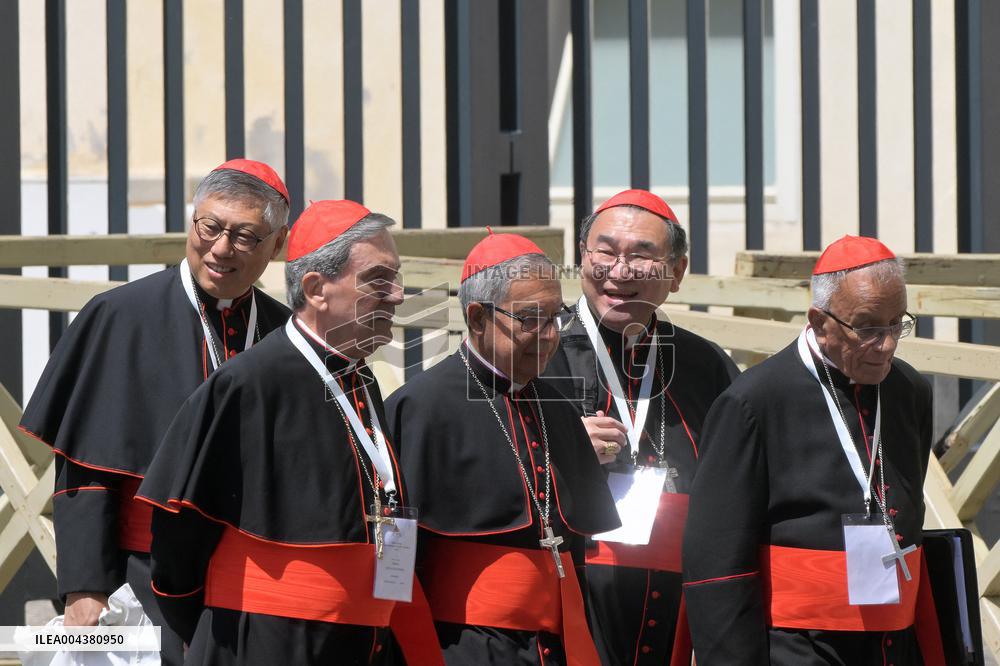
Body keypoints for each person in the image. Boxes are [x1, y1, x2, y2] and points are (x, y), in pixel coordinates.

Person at [137, 200, 441, 665]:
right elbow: (179, 540)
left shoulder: (360, 377)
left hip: (360, 638)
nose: (399, 295)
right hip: (268, 642)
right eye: (379, 279)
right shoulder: (249, 384)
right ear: (317, 289)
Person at [18, 159, 292, 664]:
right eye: (208, 226)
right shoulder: (120, 315)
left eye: (245, 236)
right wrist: (85, 588)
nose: (220, 248)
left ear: (277, 244)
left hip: (251, 579)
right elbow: (86, 467)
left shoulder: (285, 334)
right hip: (141, 574)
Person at [682, 235, 946, 665]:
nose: (887, 346)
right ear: (820, 322)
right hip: (797, 647)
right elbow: (717, 561)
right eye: (867, 328)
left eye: (897, 324)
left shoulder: (909, 390)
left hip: (892, 645)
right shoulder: (752, 401)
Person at [385, 231, 620, 665]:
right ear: (477, 318)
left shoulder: (558, 406)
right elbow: (395, 559)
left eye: (557, 318)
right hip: (462, 646)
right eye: (531, 319)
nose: (550, 336)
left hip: (558, 642)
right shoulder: (420, 407)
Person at [542, 188, 738, 665]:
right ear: (582, 259)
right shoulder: (537, 354)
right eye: (605, 252)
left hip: (677, 611)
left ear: (677, 273)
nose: (620, 270)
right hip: (570, 607)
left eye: (643, 255)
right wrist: (563, 453)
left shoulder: (705, 364)